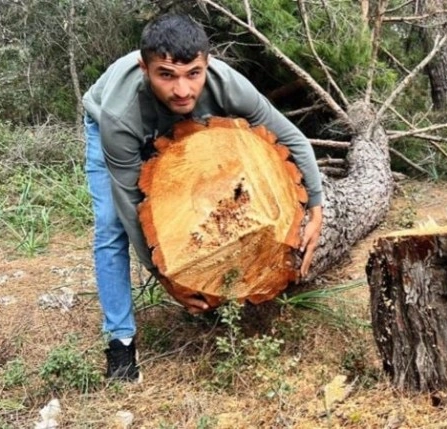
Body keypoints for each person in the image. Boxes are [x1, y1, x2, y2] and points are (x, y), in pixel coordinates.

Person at [82, 13, 323, 382]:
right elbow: (134, 208)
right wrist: (167, 274)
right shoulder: (118, 115)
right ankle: (120, 342)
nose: (182, 90)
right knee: (112, 227)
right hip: (111, 126)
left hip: (184, 134)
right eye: (166, 74)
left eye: (193, 73)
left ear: (206, 64)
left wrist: (317, 209)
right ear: (143, 68)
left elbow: (292, 138)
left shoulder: (227, 84)